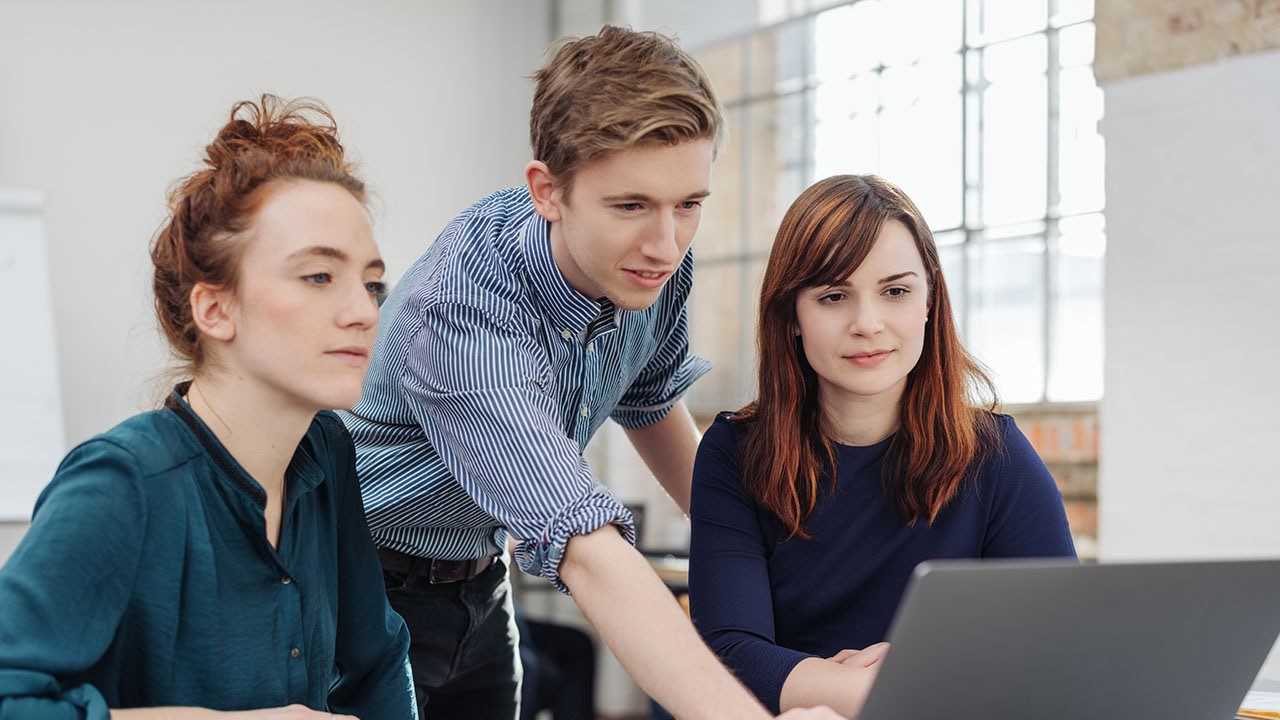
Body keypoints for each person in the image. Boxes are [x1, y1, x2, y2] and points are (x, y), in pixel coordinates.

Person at [341, 24, 840, 720]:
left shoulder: (649, 262)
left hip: (481, 584)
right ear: (548, 191)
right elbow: (580, 543)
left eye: (689, 204)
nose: (665, 245)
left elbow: (649, 398)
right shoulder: (459, 312)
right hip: (360, 590)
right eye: (630, 205)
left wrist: (775, 567)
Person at [0, 96, 416, 719]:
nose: (363, 310)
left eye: (371, 281)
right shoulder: (123, 481)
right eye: (319, 277)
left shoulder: (326, 448)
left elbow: (378, 660)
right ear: (214, 309)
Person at [689, 174, 1078, 718]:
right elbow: (728, 654)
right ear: (791, 317)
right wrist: (912, 685)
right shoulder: (734, 452)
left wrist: (899, 678)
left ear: (928, 301)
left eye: (895, 291)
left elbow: (1061, 650)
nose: (867, 324)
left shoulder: (997, 455)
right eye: (832, 296)